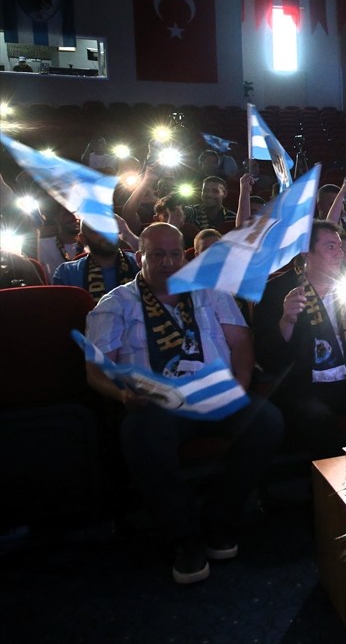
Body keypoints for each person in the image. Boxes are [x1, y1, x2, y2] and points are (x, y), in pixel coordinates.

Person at [84, 223, 282, 585]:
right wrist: (122, 395)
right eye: (157, 254)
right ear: (139, 256)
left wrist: (240, 384)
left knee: (266, 421)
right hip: (157, 402)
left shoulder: (209, 291)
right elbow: (96, 371)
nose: (168, 262)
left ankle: (219, 521)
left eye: (175, 253)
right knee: (142, 434)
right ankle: (183, 537)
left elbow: (240, 342)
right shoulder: (116, 304)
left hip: (215, 393)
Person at [254, 221, 346, 457]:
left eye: (341, 247)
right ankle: (328, 490)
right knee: (319, 420)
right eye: (331, 247)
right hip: (304, 385)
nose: (340, 254)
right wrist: (287, 320)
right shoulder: (276, 291)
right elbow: (267, 356)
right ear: (306, 253)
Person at [53, 223, 139, 300]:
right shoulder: (66, 273)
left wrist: (129, 236)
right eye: (96, 230)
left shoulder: (139, 263)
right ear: (83, 239)